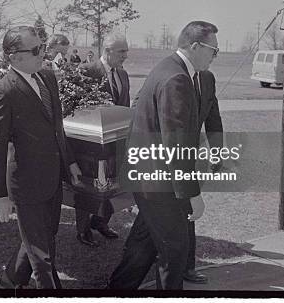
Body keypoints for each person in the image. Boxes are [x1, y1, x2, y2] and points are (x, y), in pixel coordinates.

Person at [107, 20, 219, 290]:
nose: (215, 56)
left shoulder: (174, 69)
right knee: (175, 249)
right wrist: (192, 194)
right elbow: (175, 143)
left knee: (144, 243)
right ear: (195, 46)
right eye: (213, 50)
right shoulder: (177, 78)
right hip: (157, 180)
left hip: (151, 177)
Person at [0, 26, 80, 289]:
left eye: (43, 47)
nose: (43, 54)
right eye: (36, 50)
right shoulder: (2, 91)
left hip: (51, 177)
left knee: (46, 236)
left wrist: (69, 161)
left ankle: (9, 281)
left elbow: (56, 125)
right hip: (25, 184)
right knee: (42, 255)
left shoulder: (47, 77)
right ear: (14, 57)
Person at [73, 36, 130, 247]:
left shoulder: (123, 75)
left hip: (114, 141)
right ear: (107, 50)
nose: (125, 56)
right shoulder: (88, 70)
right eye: (121, 52)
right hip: (89, 143)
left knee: (112, 184)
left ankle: (101, 221)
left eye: (126, 51)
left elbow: (125, 106)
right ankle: (82, 229)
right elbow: (76, 107)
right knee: (88, 185)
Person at [181, 68, 223, 284]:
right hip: (165, 157)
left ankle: (187, 267)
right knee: (159, 213)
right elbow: (139, 108)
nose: (213, 58)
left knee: (188, 209)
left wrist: (217, 152)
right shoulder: (170, 73)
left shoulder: (207, 78)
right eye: (211, 51)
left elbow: (213, 117)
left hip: (193, 157)